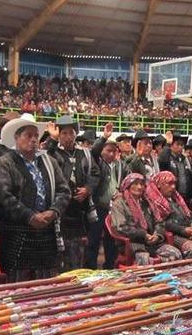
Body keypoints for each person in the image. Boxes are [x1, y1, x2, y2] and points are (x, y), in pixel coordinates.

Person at [0, 115, 71, 281]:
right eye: (28, 135)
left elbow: (64, 190)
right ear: (16, 138)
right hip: (16, 235)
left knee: (47, 285)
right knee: (17, 285)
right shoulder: (3, 163)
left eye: (36, 135)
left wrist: (53, 211)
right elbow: (5, 197)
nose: (34, 139)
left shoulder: (49, 162)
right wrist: (30, 216)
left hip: (46, 233)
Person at [45, 115, 101, 271]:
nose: (68, 137)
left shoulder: (85, 153)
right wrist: (53, 139)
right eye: (64, 133)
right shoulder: (52, 152)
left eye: (71, 133)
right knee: (59, 251)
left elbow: (96, 173)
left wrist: (88, 189)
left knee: (78, 250)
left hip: (80, 210)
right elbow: (43, 159)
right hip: (60, 210)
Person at [110, 173, 181, 265]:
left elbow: (159, 222)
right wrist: (144, 235)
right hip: (133, 243)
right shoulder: (119, 203)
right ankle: (146, 279)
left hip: (153, 242)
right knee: (144, 260)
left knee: (175, 253)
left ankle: (164, 278)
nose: (139, 187)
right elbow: (121, 227)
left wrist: (157, 235)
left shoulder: (147, 201)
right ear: (127, 185)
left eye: (142, 184)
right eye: (135, 184)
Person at [145, 171, 192, 258]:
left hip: (188, 232)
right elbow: (164, 224)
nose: (173, 187)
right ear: (159, 185)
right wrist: (183, 230)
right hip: (173, 235)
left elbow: (189, 216)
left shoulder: (176, 199)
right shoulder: (154, 202)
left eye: (174, 183)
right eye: (169, 184)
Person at [86, 124, 127, 269]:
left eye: (114, 151)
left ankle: (109, 266)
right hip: (98, 207)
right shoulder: (97, 162)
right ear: (102, 149)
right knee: (94, 239)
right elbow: (94, 152)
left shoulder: (120, 165)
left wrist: (122, 192)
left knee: (112, 240)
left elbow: (127, 182)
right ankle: (90, 268)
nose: (111, 154)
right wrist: (104, 137)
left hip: (114, 208)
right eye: (108, 150)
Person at [158, 131, 192, 201]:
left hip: (185, 196)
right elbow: (162, 160)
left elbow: (189, 177)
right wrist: (168, 144)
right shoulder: (167, 158)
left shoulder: (185, 159)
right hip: (171, 195)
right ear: (171, 146)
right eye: (178, 144)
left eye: (182, 145)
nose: (180, 147)